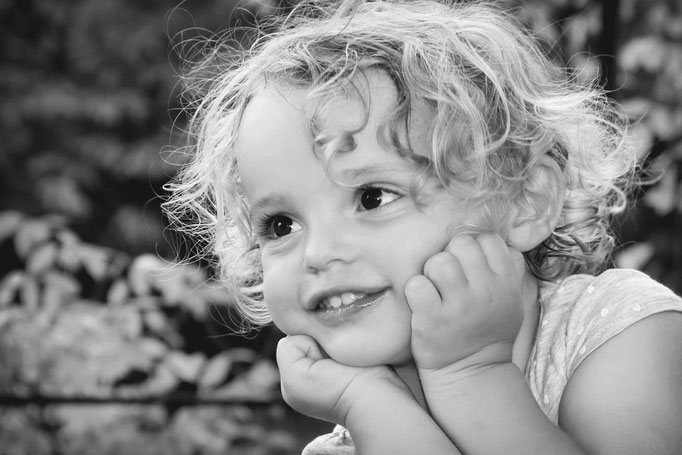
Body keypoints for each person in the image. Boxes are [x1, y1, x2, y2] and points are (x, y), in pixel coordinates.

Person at [163, 0, 682, 453]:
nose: (317, 254)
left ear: (525, 199)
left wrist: (472, 373)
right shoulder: (358, 432)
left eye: (373, 197)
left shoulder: (618, 328)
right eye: (280, 225)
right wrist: (369, 407)